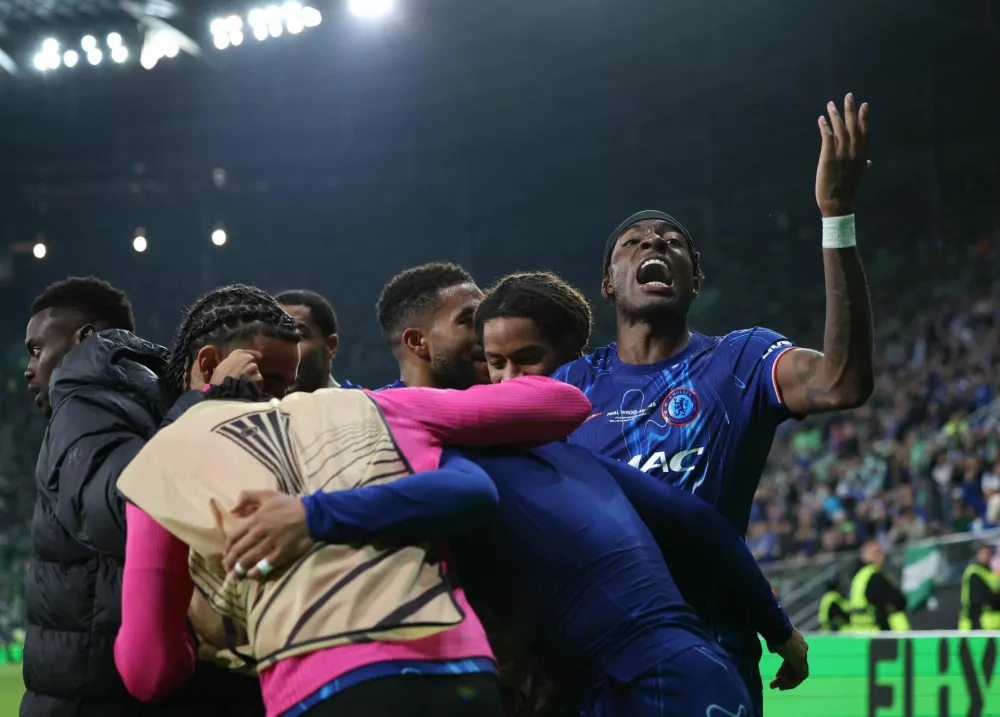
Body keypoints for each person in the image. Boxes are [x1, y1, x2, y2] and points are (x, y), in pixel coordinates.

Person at [114, 285, 592, 717]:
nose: (275, 398)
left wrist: (207, 638)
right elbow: (562, 402)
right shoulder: (367, 405)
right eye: (269, 380)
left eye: (285, 384)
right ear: (210, 364)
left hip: (321, 686)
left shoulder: (162, 461)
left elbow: (148, 671)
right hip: (458, 667)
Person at [550, 95, 875, 714]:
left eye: (674, 242)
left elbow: (843, 382)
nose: (655, 241)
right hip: (594, 667)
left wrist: (836, 215)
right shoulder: (569, 386)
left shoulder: (739, 360)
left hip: (709, 662)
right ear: (608, 283)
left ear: (695, 281)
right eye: (633, 241)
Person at [21, 276, 168, 717]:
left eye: (36, 349)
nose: (29, 368)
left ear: (84, 339)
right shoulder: (147, 399)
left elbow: (125, 513)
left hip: (87, 696)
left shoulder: (81, 402)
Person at [375, 262, 488, 390]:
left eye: (487, 317)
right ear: (417, 341)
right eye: (469, 320)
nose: (490, 331)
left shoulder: (503, 399)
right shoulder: (368, 403)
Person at [276, 289, 361, 392]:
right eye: (274, 336)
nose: (282, 350)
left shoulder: (364, 401)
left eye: (297, 335)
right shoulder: (262, 401)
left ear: (331, 346)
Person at [847, 540, 910, 632]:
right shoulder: (875, 576)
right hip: (876, 632)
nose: (882, 556)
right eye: (878, 552)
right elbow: (896, 600)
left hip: (858, 630)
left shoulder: (859, 576)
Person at [958, 544, 1000, 630]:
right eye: (985, 553)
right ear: (978, 554)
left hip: (991, 621)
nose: (987, 556)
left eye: (989, 553)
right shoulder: (974, 572)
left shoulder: (991, 573)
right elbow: (980, 599)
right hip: (975, 621)